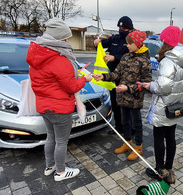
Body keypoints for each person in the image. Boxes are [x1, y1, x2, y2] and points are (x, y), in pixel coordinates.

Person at [26, 18, 92, 181]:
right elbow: (71, 87)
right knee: (61, 141)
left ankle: (50, 166)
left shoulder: (38, 55)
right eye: (65, 38)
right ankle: (61, 172)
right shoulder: (59, 59)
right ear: (58, 39)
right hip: (60, 107)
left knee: (51, 137)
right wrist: (86, 79)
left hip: (43, 106)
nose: (68, 40)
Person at [140, 26, 183, 178]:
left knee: (159, 138)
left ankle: (159, 170)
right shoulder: (181, 60)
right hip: (175, 105)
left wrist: (150, 86)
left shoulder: (168, 61)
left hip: (164, 106)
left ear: (165, 41)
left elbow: (164, 87)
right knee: (170, 137)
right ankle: (168, 168)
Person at [93, 30, 151, 161]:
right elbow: (117, 74)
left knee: (136, 124)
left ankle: (138, 147)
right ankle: (128, 143)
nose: (127, 46)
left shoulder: (144, 61)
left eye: (130, 44)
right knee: (124, 122)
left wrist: (128, 88)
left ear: (137, 43)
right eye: (127, 43)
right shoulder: (125, 57)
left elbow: (146, 84)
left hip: (134, 100)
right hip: (122, 97)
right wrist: (103, 76)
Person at [93, 16, 134, 134]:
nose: (121, 29)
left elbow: (132, 58)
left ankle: (130, 129)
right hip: (112, 78)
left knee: (126, 105)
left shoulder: (132, 41)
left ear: (130, 29)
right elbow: (101, 44)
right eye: (120, 27)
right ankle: (118, 127)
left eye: (124, 28)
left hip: (126, 78)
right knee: (115, 103)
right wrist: (96, 43)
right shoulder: (114, 39)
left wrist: (114, 57)